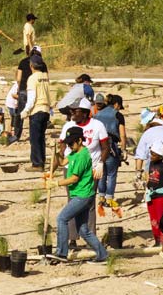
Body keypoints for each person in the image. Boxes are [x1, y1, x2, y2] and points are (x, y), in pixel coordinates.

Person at [47, 127, 108, 263]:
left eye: (71, 143)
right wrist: (56, 151)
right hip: (79, 194)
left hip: (83, 195)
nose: (69, 146)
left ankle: (62, 253)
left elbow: (74, 178)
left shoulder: (83, 156)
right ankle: (102, 254)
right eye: (68, 144)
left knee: (62, 219)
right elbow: (62, 162)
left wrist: (56, 183)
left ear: (80, 140)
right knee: (83, 229)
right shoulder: (74, 154)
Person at [54, 98, 108, 241]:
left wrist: (101, 163)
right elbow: (61, 149)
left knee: (89, 203)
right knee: (72, 201)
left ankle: (90, 237)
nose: (71, 113)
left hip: (92, 170)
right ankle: (72, 238)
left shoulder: (98, 126)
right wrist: (53, 169)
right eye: (71, 110)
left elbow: (105, 147)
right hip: (70, 168)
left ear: (84, 113)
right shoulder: (68, 126)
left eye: (74, 111)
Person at [93, 94, 126, 207]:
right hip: (111, 146)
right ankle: (109, 199)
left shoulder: (97, 114)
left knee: (101, 173)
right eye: (119, 106)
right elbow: (122, 135)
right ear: (116, 104)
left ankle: (101, 197)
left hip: (98, 146)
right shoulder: (118, 115)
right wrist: (124, 149)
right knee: (111, 174)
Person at [21, 59, 52, 171]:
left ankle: (37, 164)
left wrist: (26, 110)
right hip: (46, 110)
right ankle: (41, 162)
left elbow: (32, 97)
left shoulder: (32, 78)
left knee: (34, 139)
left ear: (31, 66)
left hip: (37, 110)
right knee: (41, 138)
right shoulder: (45, 76)